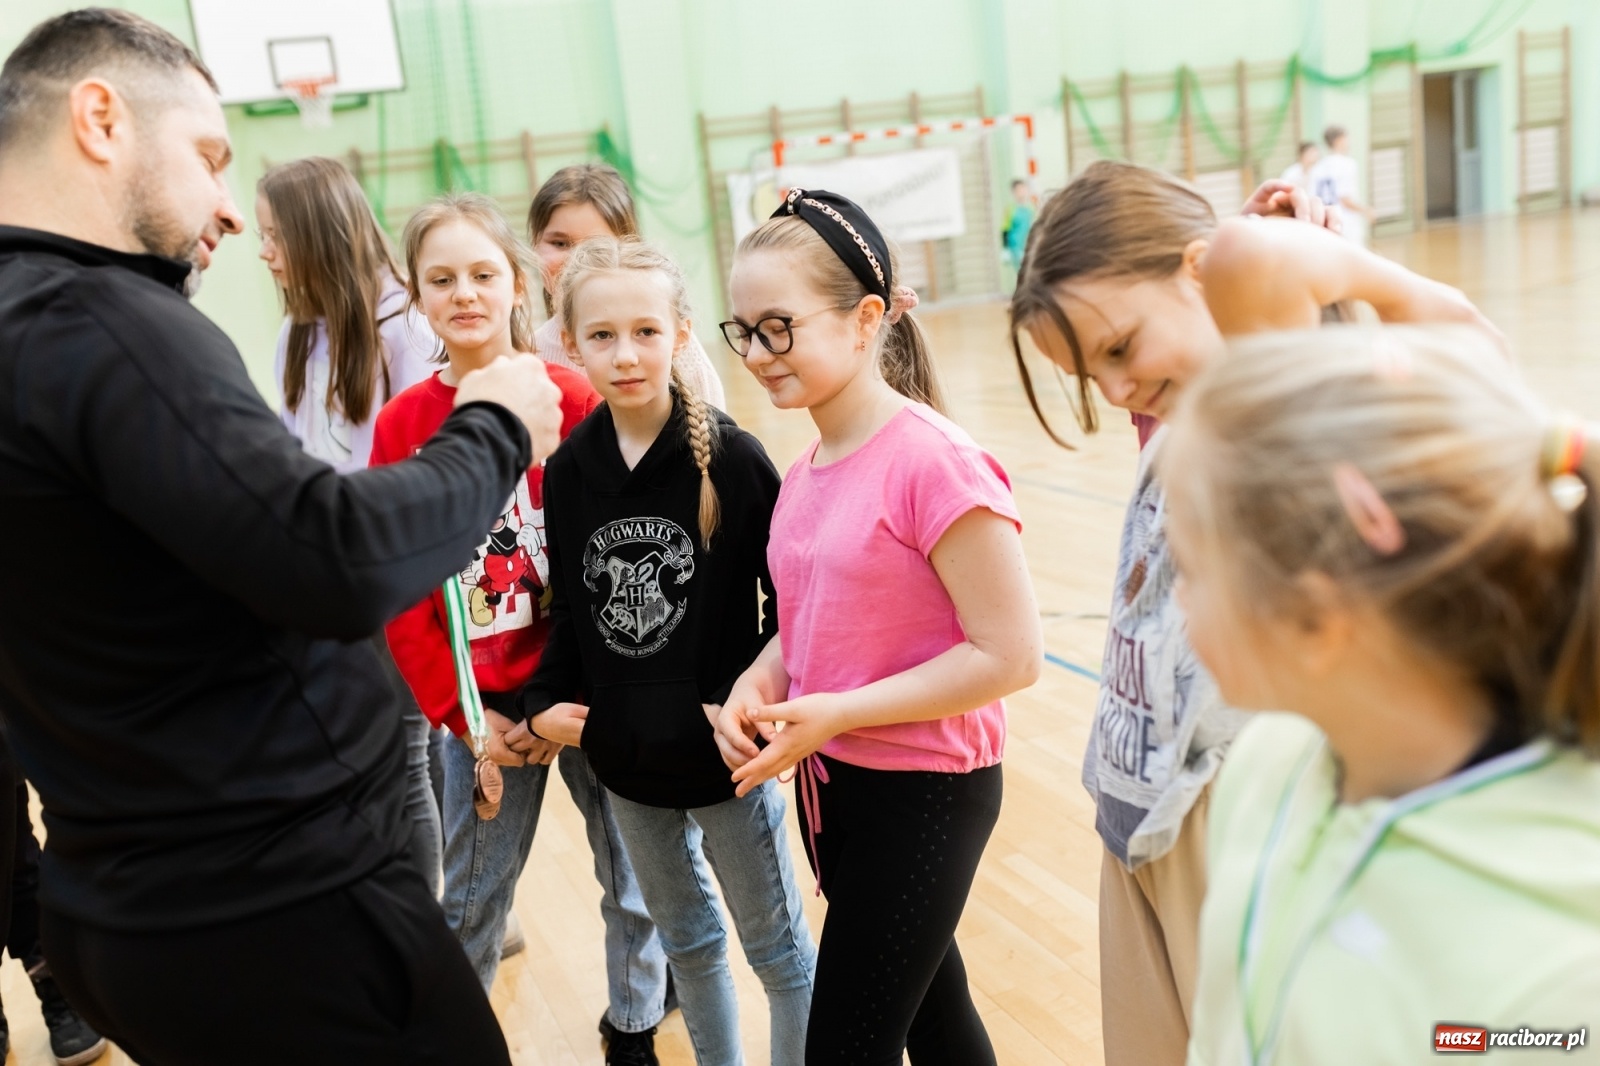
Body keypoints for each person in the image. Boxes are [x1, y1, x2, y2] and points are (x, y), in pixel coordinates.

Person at [0, 11, 564, 1064]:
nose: (223, 204)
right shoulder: (101, 320)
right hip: (275, 912)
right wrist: (492, 424)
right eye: (210, 158)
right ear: (99, 118)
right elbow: (333, 557)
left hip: (137, 896)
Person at [1006, 159, 1488, 1066]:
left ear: (1205, 270)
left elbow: (1449, 331)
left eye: (1116, 352)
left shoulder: (1299, 401)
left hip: (1236, 816)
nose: (1113, 392)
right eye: (1087, 376)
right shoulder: (1189, 401)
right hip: (1139, 813)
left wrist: (1309, 258)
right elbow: (1204, 310)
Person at [1163, 326, 1600, 1065]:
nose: (1176, 601)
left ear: (1313, 620)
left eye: (1189, 570)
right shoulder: (1269, 760)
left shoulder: (1554, 976)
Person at [714, 189, 1043, 1065]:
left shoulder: (933, 461)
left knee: (848, 1047)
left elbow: (1010, 656)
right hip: (838, 784)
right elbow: (808, 617)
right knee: (935, 1021)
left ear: (865, 320)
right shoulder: (808, 466)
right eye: (741, 329)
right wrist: (765, 677)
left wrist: (838, 712)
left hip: (925, 792)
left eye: (777, 327)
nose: (755, 353)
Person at [373, 192, 674, 1066]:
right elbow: (400, 593)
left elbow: (606, 555)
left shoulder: (573, 396)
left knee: (633, 879)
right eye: (441, 278)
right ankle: (452, 1043)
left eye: (482, 273)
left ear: (515, 282)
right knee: (470, 899)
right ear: (414, 292)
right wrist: (462, 715)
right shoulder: (402, 425)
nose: (463, 293)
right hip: (484, 720)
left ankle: (634, 1030)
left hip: (586, 700)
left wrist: (568, 698)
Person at [506, 236, 816, 1066]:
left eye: (646, 330)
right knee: (689, 944)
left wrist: (759, 706)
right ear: (568, 344)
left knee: (780, 955)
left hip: (727, 764)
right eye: (601, 335)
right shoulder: (569, 471)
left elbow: (797, 608)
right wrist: (546, 701)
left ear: (681, 332)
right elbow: (571, 607)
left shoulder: (736, 459)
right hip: (628, 767)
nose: (625, 353)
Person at [256, 156, 443, 894]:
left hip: (397, 573)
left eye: (275, 235)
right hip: (330, 576)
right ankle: (449, 906)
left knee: (409, 756)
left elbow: (424, 460)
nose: (264, 251)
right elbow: (291, 450)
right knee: (378, 757)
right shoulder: (297, 335)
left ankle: (434, 925)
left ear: (316, 234)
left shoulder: (405, 329)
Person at [527, 163, 726, 409]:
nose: (575, 261)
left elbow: (714, 429)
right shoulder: (530, 354)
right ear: (534, 245)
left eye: (596, 245)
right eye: (559, 243)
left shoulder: (672, 343)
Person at [1311, 125, 1376, 246]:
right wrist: (1366, 210)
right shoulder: (1348, 164)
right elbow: (1345, 200)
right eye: (1346, 138)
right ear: (1339, 140)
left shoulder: (1318, 168)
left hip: (1325, 222)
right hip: (1345, 223)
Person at [1002, 177, 1038, 272]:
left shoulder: (1031, 207)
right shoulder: (1010, 209)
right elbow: (1005, 229)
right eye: (1018, 190)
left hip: (1029, 244)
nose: (1021, 192)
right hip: (1016, 247)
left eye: (1023, 189)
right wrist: (1005, 249)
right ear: (1013, 192)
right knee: (1023, 272)